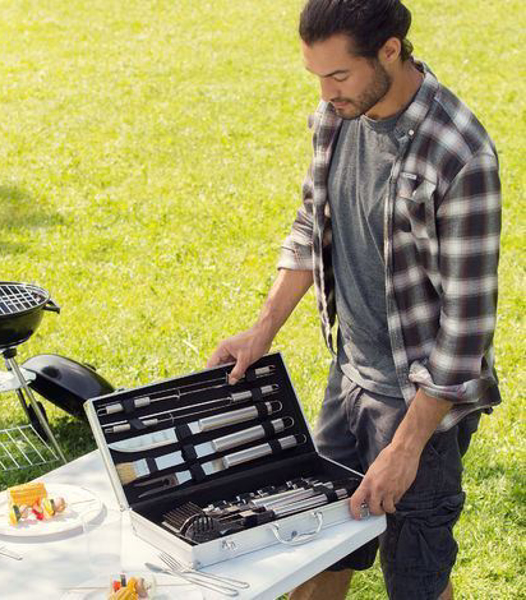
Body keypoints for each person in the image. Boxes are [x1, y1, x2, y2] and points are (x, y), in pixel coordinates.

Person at [206, 1, 502, 598]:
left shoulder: (459, 154)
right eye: (316, 75)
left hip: (422, 401)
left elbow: (465, 334)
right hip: (350, 378)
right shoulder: (337, 115)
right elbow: (311, 225)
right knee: (313, 549)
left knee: (415, 578)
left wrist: (406, 447)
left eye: (338, 76)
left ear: (390, 51)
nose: (326, 92)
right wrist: (261, 331)